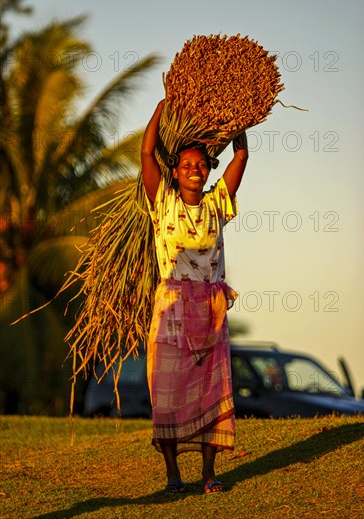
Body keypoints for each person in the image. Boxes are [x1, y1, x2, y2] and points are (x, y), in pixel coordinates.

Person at [141, 100, 249, 495]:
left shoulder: (217, 204)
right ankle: (173, 475)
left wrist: (239, 116)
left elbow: (241, 154)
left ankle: (208, 474)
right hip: (171, 308)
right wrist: (160, 109)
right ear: (175, 171)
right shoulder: (163, 203)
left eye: (201, 165)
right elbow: (146, 152)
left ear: (208, 171)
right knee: (166, 392)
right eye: (186, 164)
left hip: (210, 308)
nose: (194, 169)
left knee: (211, 390)